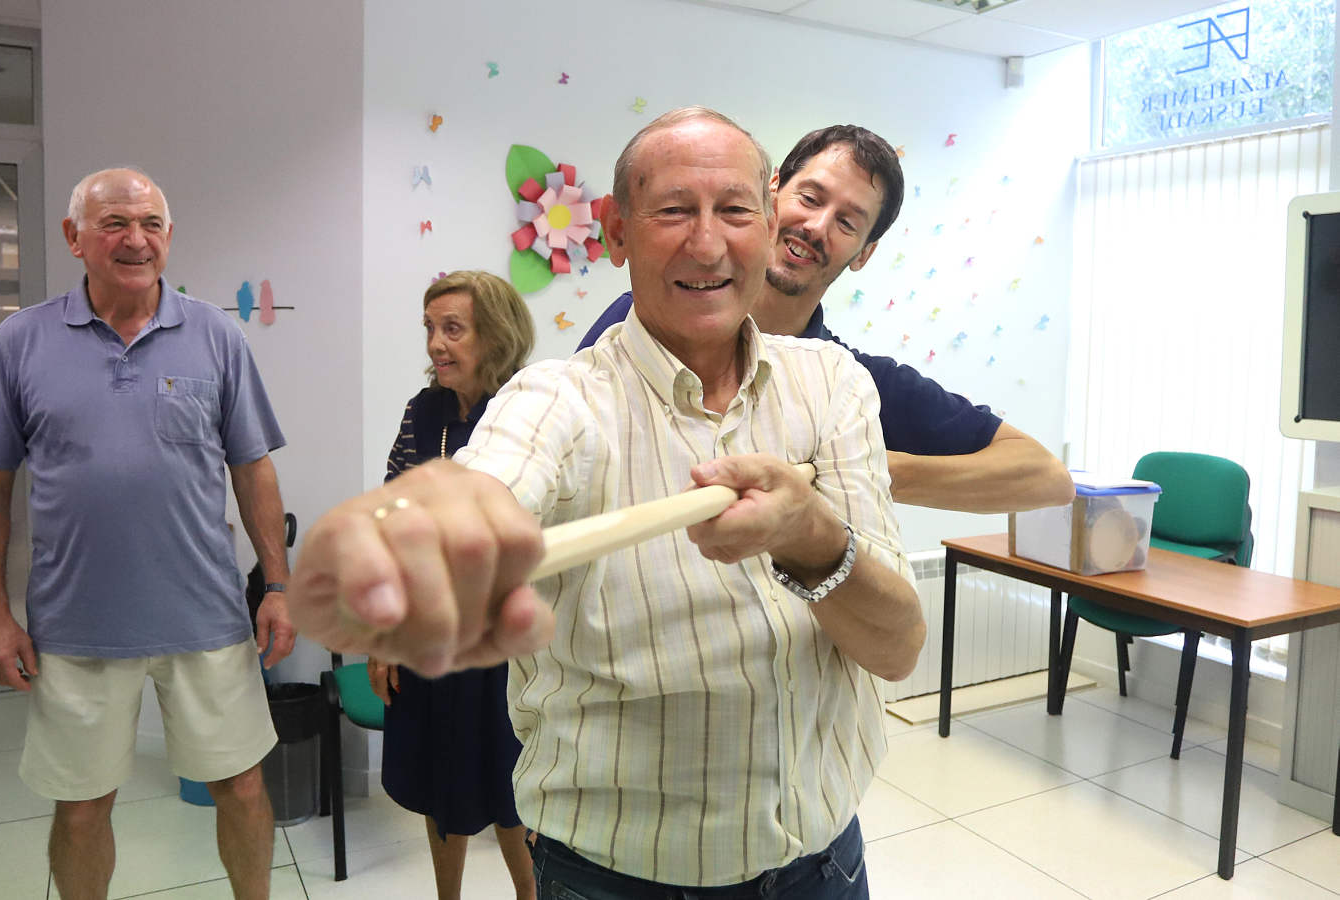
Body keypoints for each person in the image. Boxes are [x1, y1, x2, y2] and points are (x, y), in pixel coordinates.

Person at [288, 108, 923, 898]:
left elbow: (896, 651)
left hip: (824, 860)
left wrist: (810, 533)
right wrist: (426, 537)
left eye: (732, 210)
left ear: (764, 223)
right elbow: (492, 481)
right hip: (610, 877)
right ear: (616, 233)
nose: (706, 242)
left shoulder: (832, 386)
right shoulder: (555, 398)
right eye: (671, 211)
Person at [0, 167, 295, 900]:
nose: (135, 240)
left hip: (204, 613)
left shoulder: (215, 335)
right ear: (74, 237)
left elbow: (252, 466)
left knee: (240, 786)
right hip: (77, 624)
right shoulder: (19, 341)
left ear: (168, 236)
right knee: (80, 806)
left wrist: (279, 586)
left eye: (150, 224)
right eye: (114, 223)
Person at [578, 124, 1073, 514]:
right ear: (771, 195)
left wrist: (854, 467)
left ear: (864, 253)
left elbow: (1045, 477)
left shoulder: (846, 383)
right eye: (810, 198)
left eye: (847, 222)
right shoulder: (642, 321)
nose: (816, 227)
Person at [368, 270, 537, 900]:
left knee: (513, 784)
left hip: (507, 641)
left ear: (494, 334)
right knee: (443, 778)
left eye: (453, 329)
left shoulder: (528, 406)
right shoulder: (425, 410)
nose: (437, 344)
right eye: (431, 329)